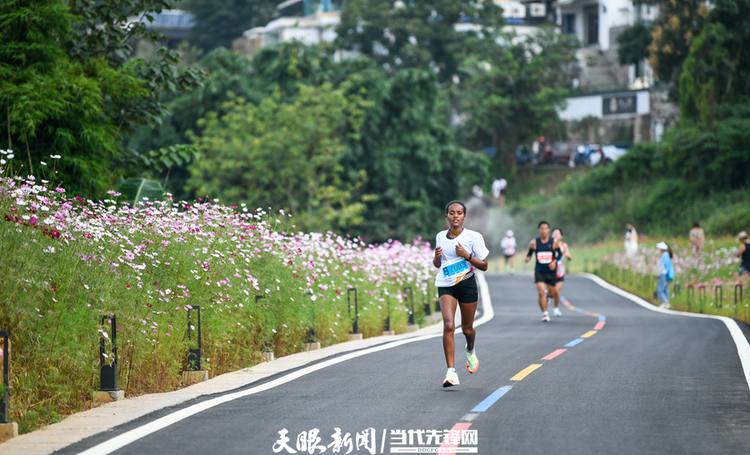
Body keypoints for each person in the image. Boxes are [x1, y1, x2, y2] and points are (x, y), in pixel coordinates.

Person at [433, 201, 489, 388]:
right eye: (451, 213)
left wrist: (467, 255)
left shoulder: (473, 237)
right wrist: (436, 257)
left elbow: (484, 265)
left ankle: (470, 350)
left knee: (467, 329)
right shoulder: (440, 236)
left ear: (464, 216)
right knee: (449, 324)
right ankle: (451, 372)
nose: (455, 216)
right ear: (447, 216)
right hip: (446, 285)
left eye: (459, 213)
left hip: (466, 283)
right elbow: (438, 265)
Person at [525, 221, 561, 322]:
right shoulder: (534, 243)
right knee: (541, 292)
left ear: (548, 230)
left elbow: (559, 255)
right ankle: (545, 313)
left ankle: (548, 297)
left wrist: (554, 261)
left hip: (551, 271)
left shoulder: (554, 242)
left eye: (546, 228)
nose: (544, 230)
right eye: (542, 228)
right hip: (539, 271)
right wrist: (528, 258)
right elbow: (530, 253)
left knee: (551, 294)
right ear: (539, 230)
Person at [551, 228, 572, 317]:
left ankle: (556, 308)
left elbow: (569, 256)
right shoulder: (548, 244)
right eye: (554, 233)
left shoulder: (564, 245)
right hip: (549, 270)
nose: (555, 235)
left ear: (561, 236)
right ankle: (547, 298)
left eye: (557, 233)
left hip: (559, 270)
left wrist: (567, 256)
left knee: (556, 290)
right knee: (551, 291)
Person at [656, 241, 674, 309]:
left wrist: (659, 274)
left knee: (660, 290)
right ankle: (667, 303)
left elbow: (663, 266)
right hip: (667, 274)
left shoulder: (665, 255)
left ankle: (665, 302)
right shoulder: (667, 255)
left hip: (664, 274)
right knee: (666, 289)